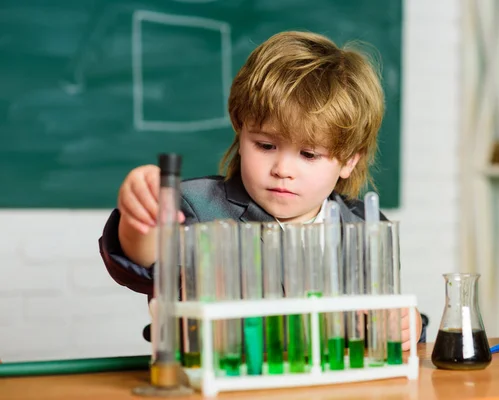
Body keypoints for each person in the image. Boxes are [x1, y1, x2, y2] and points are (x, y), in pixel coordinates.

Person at [98, 31, 425, 348]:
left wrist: (410, 324)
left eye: (309, 154)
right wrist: (140, 215)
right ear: (241, 133)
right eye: (266, 145)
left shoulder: (363, 226)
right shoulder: (197, 206)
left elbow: (387, 314)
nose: (282, 170)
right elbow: (143, 260)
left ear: (348, 161)